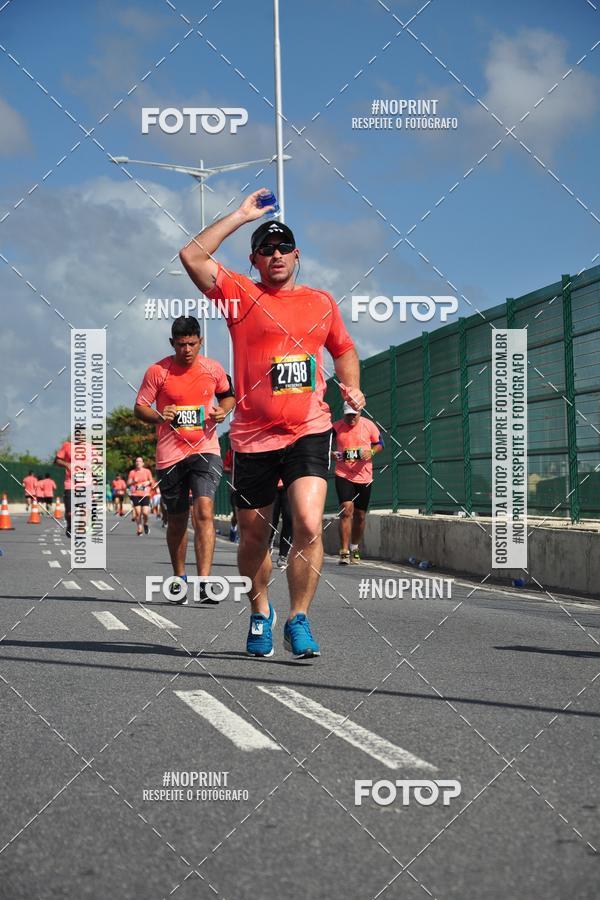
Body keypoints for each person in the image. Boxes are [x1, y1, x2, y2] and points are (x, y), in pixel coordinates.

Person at [179, 189, 364, 658]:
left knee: (306, 521)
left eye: (284, 247)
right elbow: (192, 255)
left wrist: (351, 386)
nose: (276, 254)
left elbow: (343, 349)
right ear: (255, 259)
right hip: (252, 436)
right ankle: (261, 612)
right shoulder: (241, 295)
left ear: (297, 255)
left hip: (308, 427)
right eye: (267, 249)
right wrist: (242, 215)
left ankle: (298, 618)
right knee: (255, 535)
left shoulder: (320, 302)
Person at [134, 316, 235, 603]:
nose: (187, 350)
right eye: (181, 345)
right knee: (177, 520)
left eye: (192, 344)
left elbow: (229, 396)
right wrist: (158, 415)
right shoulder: (158, 371)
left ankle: (205, 582)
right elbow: (139, 408)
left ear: (200, 341)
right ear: (172, 344)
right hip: (170, 455)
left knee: (203, 511)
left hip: (205, 449)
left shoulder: (213, 368)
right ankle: (179, 578)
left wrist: (223, 411)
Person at [332, 403, 383, 564]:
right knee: (346, 510)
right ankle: (344, 551)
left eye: (354, 414)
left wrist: (371, 452)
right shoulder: (336, 427)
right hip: (343, 474)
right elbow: (322, 445)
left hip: (364, 477)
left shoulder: (369, 425)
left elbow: (380, 443)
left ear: (360, 412)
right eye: (348, 414)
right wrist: (331, 454)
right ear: (343, 414)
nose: (351, 417)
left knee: (360, 515)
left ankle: (354, 547)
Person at [127, 457, 153, 536]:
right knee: (138, 512)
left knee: (145, 512)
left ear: (143, 463)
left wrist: (147, 482)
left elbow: (151, 480)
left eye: (140, 461)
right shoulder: (132, 472)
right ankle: (139, 527)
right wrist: (133, 481)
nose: (138, 462)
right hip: (135, 494)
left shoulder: (147, 471)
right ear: (135, 463)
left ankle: (145, 523)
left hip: (145, 494)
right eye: (137, 461)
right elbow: (128, 483)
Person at [269, 480, 292, 568]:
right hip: (271, 483)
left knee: (289, 518)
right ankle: (269, 541)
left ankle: (283, 555)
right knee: (271, 519)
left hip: (289, 482)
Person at [54, 439, 73, 537]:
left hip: (87, 484)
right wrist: (67, 464)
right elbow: (56, 461)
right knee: (70, 513)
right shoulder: (67, 445)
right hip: (70, 484)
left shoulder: (91, 447)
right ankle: (70, 525)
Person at [223, 446, 238, 542]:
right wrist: (235, 470)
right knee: (237, 514)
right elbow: (225, 467)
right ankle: (233, 531)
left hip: (252, 485)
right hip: (235, 487)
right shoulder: (232, 450)